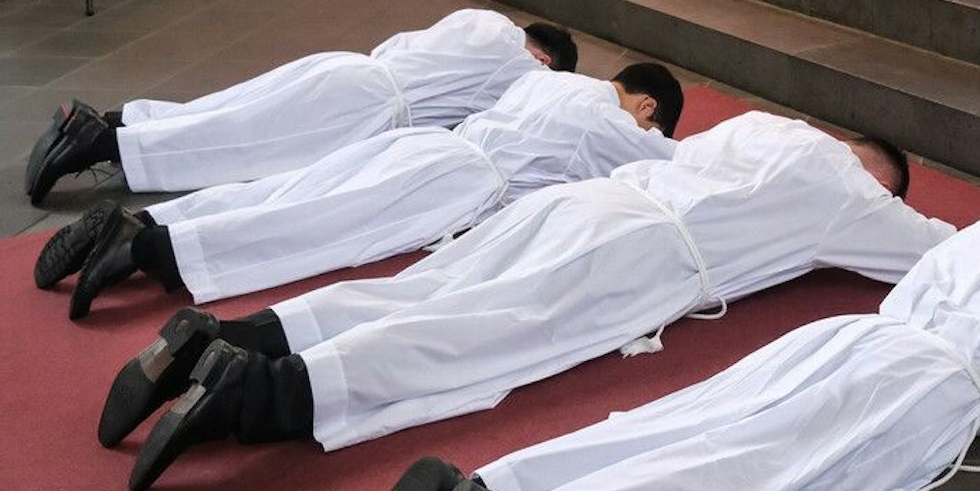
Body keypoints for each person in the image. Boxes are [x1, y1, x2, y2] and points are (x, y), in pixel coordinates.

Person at [106, 113, 955, 491]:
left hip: (581, 207)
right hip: (638, 255)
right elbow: (935, 245)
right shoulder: (854, 193)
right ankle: (252, 396)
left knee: (415, 291)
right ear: (876, 173)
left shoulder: (762, 126)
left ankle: (230, 339)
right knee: (467, 341)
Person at [395, 216, 980, 491]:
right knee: (740, 472)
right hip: (916, 384)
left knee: (678, 419)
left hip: (848, 336)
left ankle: (500, 482)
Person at [38, 64, 682, 319]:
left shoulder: (552, 82)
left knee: (292, 190)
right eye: (650, 119)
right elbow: (675, 164)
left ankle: (147, 220)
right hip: (457, 181)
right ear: (646, 104)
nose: (644, 129)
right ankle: (147, 249)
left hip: (430, 145)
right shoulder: (611, 119)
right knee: (316, 225)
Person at [23, 10, 577, 204]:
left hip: (352, 67)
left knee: (233, 109)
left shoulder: (475, 19)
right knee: (244, 143)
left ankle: (117, 121)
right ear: (545, 57)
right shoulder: (522, 63)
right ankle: (101, 144)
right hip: (368, 107)